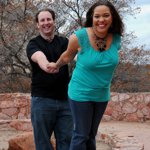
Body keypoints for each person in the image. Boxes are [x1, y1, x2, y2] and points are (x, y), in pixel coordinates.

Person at [48, 1, 124, 150]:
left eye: (106, 15)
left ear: (112, 17)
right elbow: (67, 56)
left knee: (91, 134)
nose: (101, 20)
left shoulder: (116, 39)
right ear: (92, 18)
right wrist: (55, 65)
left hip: (102, 94)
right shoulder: (80, 37)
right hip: (80, 92)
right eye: (97, 16)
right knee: (81, 134)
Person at [26, 8, 73, 150]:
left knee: (67, 142)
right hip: (42, 101)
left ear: (54, 21)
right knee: (43, 143)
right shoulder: (33, 44)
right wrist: (49, 66)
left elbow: (73, 55)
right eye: (42, 20)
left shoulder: (64, 42)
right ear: (37, 24)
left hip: (66, 101)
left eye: (49, 19)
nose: (46, 23)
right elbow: (39, 58)